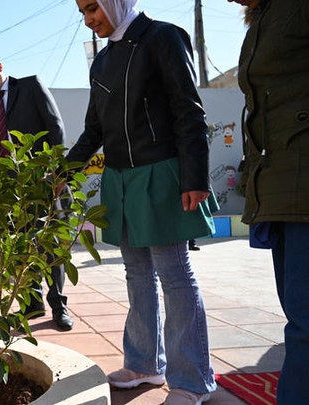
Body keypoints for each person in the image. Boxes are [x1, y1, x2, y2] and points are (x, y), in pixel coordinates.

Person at [67, 1, 219, 403]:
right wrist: (62, 171)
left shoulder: (162, 37)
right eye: (82, 12)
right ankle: (144, 364)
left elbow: (189, 109)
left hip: (161, 172)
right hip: (119, 180)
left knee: (174, 274)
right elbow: (93, 129)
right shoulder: (101, 63)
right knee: (136, 275)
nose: (89, 19)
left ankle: (191, 380)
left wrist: (196, 177)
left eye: (93, 7)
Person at [227, 1, 309, 403]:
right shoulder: (265, 15)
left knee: (305, 325)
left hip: (301, 182)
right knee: (299, 319)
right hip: (280, 185)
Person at [0, 50, 74, 332]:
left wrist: (58, 171)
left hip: (43, 182)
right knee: (19, 248)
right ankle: (32, 304)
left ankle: (59, 306)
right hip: (8, 192)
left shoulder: (30, 86)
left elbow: (55, 126)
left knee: (51, 246)